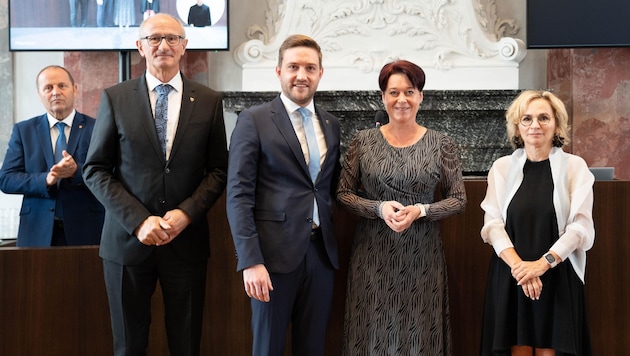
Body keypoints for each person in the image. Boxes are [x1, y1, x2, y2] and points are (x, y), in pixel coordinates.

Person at [82, 13, 228, 355]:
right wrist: (138, 220)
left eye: (172, 38)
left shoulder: (208, 101)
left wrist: (186, 214)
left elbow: (219, 169)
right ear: (140, 47)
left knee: (186, 343)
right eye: (154, 38)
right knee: (129, 346)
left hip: (186, 242)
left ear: (184, 46)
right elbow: (95, 169)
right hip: (126, 244)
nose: (164, 45)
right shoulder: (115, 98)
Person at [337, 60, 467, 355]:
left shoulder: (441, 143)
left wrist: (421, 210)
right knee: (370, 331)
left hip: (421, 254)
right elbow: (343, 194)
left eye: (409, 91)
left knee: (420, 333)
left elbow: (458, 199)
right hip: (372, 254)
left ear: (420, 96)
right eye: (394, 92)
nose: (401, 99)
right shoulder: (363, 141)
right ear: (383, 97)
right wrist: (378, 208)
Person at [226, 34, 341, 356]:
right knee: (268, 348)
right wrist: (251, 261)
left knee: (313, 347)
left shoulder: (331, 125)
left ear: (320, 73)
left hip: (321, 256)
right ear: (278, 71)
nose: (301, 75)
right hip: (271, 259)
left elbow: (327, 188)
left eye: (309, 67)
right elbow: (238, 195)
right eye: (293, 67)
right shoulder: (253, 120)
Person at [479, 90, 594, 356]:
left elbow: (579, 228)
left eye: (544, 118)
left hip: (556, 274)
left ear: (556, 125)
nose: (535, 125)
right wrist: (522, 269)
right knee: (516, 349)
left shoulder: (575, 167)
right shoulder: (502, 167)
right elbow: (492, 225)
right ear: (518, 127)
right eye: (527, 119)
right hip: (511, 275)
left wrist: (541, 266)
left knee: (550, 350)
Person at [0, 65, 104, 247]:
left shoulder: (97, 128)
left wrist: (76, 171)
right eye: (48, 88)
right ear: (40, 94)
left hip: (87, 230)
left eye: (62, 86)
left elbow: (110, 174)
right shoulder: (24, 131)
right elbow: (6, 179)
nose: (56, 92)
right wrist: (45, 180)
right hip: (36, 232)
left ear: (75, 89)